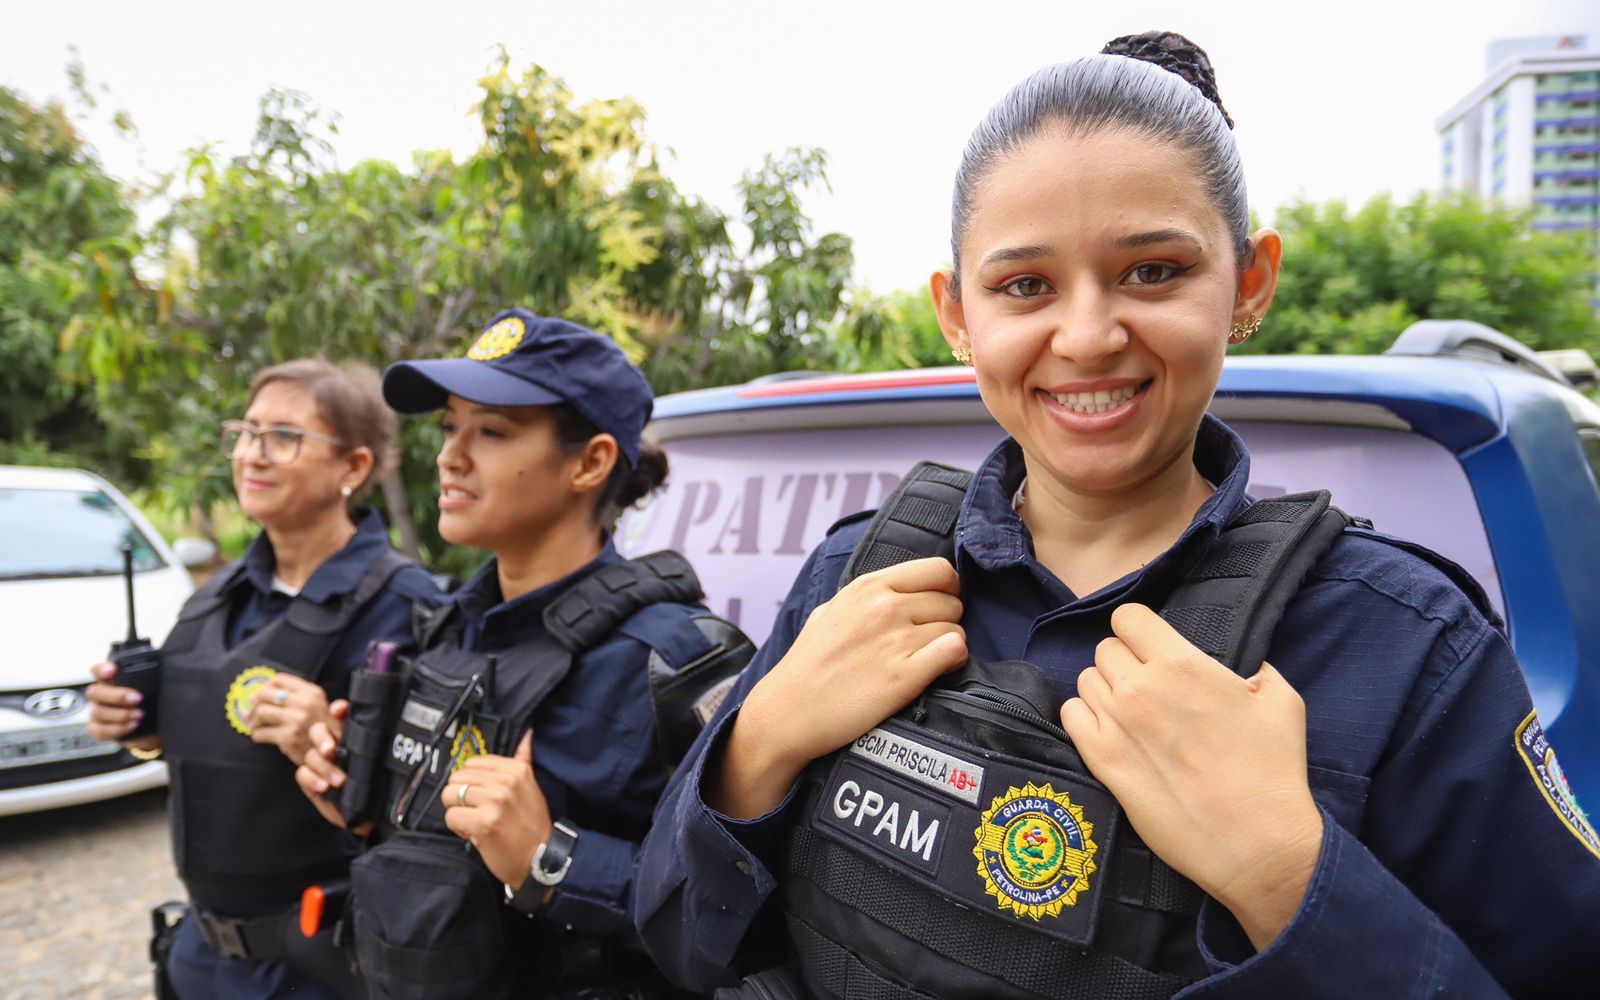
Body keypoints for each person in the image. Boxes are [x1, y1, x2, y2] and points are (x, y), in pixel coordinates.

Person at [632, 32, 1600, 1000]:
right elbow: (677, 939)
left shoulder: (1401, 646)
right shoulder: (857, 574)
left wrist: (1287, 875)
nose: (1088, 336)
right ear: (957, 312)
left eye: (1152, 271)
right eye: (1024, 286)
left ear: (1249, 281)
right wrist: (754, 751)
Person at [294, 308, 750, 1000]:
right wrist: (359, 798)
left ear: (590, 462)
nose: (450, 455)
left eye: (492, 431)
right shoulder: (446, 632)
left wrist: (551, 859)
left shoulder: (677, 662)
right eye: (450, 427)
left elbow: (741, 919)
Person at [86, 358, 445, 999]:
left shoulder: (408, 609)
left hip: (324, 966)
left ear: (353, 468)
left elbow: (435, 811)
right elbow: (194, 735)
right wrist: (138, 729)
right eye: (246, 432)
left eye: (284, 436)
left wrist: (336, 749)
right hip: (199, 956)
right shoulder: (216, 596)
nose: (252, 454)